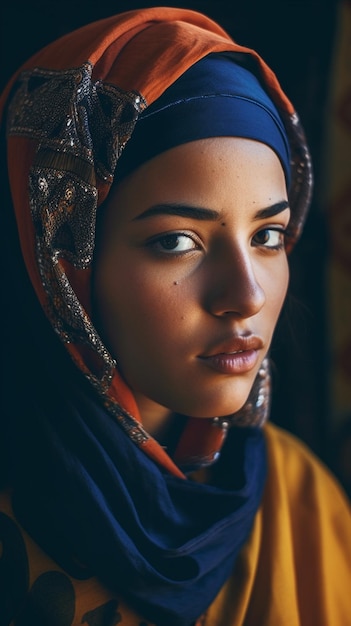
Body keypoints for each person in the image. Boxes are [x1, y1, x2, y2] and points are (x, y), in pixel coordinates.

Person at [0, 6, 350, 626]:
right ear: (60, 264)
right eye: (176, 242)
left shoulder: (300, 502)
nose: (247, 296)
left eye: (268, 235)